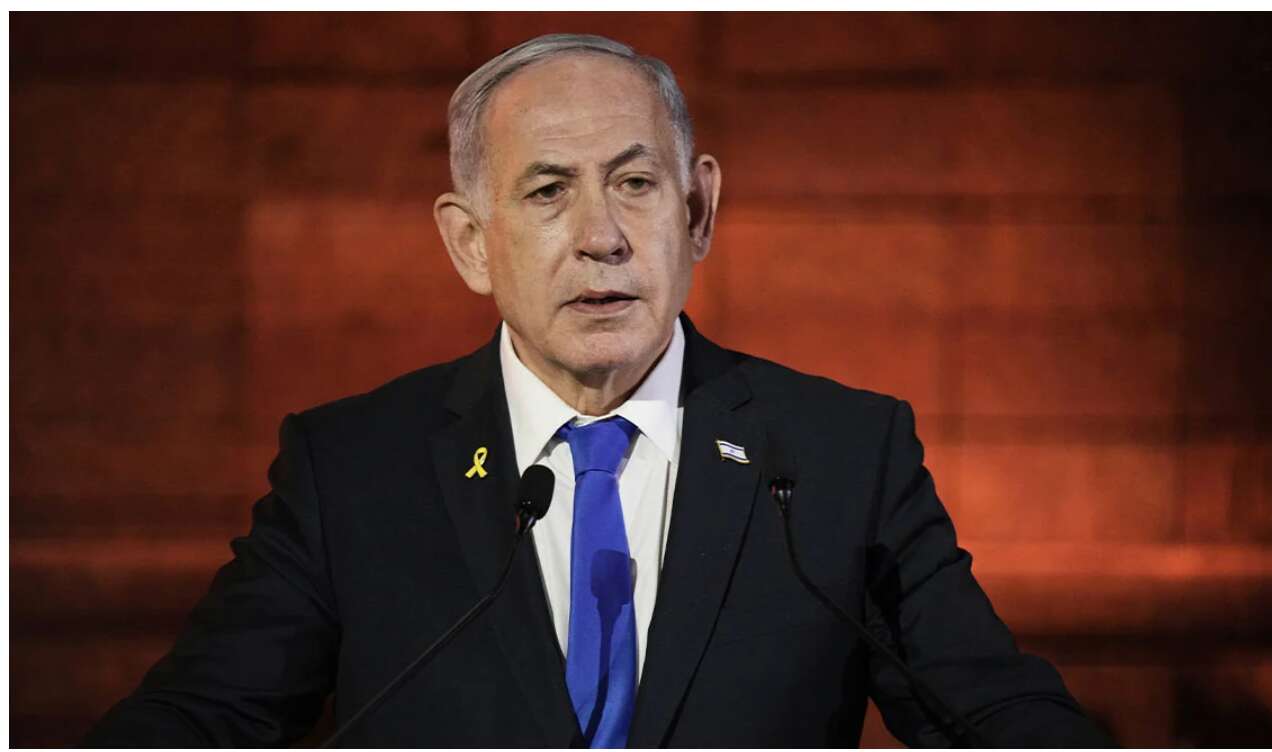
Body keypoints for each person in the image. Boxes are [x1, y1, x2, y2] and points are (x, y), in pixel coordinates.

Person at [88, 33, 1114, 748]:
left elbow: (993, 710)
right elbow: (203, 717)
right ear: (470, 243)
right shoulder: (352, 470)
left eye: (635, 183)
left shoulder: (842, 453)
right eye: (548, 191)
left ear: (697, 211)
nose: (602, 236)